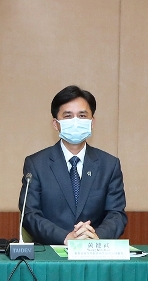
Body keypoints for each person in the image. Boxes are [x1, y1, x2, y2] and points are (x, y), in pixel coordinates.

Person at [19, 85, 127, 245]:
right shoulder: (36, 164)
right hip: (50, 251)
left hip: (94, 251)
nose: (76, 121)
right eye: (68, 116)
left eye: (82, 116)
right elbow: (29, 214)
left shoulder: (109, 165)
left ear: (92, 122)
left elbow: (116, 214)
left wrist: (96, 237)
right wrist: (65, 237)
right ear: (56, 124)